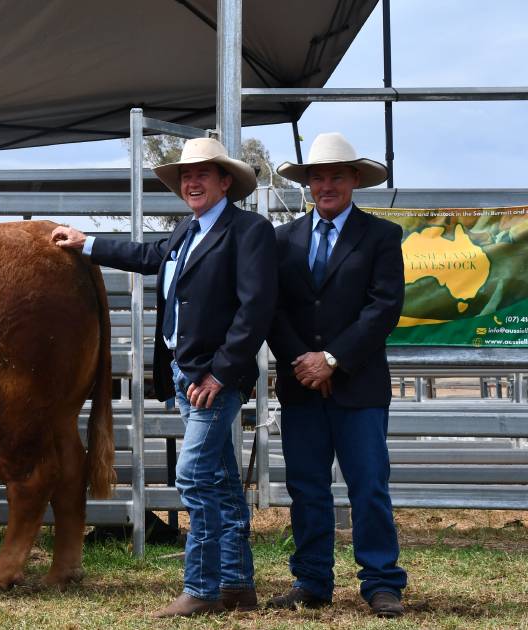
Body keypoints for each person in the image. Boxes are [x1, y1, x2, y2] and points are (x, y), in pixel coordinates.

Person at [53, 137, 275, 617]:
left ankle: (202, 588)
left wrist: (221, 373)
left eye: (202, 174)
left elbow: (255, 310)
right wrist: (86, 243)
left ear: (225, 182)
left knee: (193, 476)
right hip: (182, 370)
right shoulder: (185, 230)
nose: (191, 182)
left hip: (211, 377)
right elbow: (148, 255)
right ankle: (237, 585)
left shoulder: (248, 231)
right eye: (184, 176)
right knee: (219, 481)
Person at [266, 132, 408, 618]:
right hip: (302, 388)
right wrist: (303, 362)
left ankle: (382, 582)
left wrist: (332, 359)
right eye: (318, 176)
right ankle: (311, 579)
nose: (326, 185)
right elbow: (272, 310)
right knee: (306, 487)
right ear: (307, 184)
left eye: (336, 176)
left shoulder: (382, 237)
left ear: (354, 181)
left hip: (359, 386)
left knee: (368, 485)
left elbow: (384, 308)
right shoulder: (281, 240)